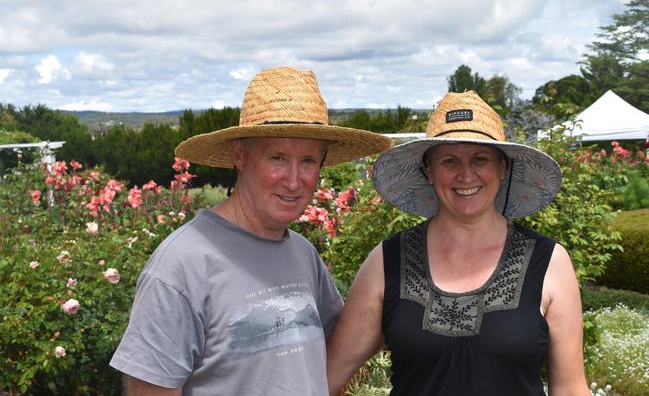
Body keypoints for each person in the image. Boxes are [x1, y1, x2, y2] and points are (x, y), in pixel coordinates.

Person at [109, 66, 392, 395]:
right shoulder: (181, 266)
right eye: (277, 158)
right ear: (240, 156)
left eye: (308, 161)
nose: (293, 180)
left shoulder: (302, 254)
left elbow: (326, 363)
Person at [326, 91, 591, 396]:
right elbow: (327, 377)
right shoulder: (387, 262)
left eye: (480, 159)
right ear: (429, 171)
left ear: (502, 168)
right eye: (449, 161)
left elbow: (570, 389)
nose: (466, 175)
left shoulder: (549, 263)